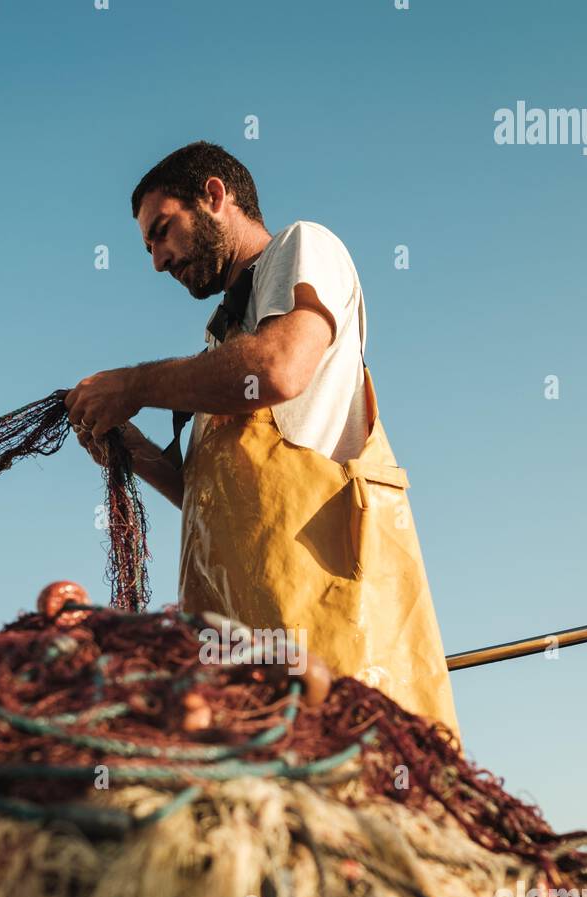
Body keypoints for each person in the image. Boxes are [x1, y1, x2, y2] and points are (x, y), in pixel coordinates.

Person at [65, 142, 459, 737]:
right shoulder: (218, 344)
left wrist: (137, 384)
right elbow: (211, 496)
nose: (156, 261)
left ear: (215, 197)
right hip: (238, 669)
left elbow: (278, 368)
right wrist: (131, 445)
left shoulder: (304, 247)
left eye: (162, 231)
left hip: (334, 643)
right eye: (148, 246)